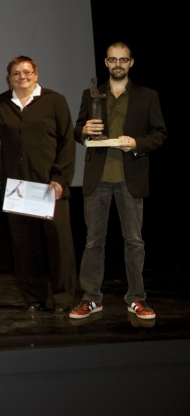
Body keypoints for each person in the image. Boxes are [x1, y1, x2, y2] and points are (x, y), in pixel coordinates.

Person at [71, 42, 166, 320]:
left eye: (123, 60)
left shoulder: (147, 96)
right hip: (97, 178)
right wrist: (84, 131)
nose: (118, 64)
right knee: (93, 242)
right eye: (113, 59)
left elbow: (159, 133)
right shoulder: (91, 94)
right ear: (106, 62)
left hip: (130, 178)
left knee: (134, 242)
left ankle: (137, 298)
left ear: (131, 63)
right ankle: (91, 298)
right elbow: (77, 130)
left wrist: (136, 143)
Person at [0, 56, 76, 312]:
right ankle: (33, 297)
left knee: (59, 245)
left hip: (51, 186)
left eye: (27, 72)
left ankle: (62, 297)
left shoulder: (54, 101)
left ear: (36, 74)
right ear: (9, 78)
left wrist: (60, 178)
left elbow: (67, 142)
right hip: (17, 188)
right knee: (25, 246)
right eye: (16, 73)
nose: (22, 77)